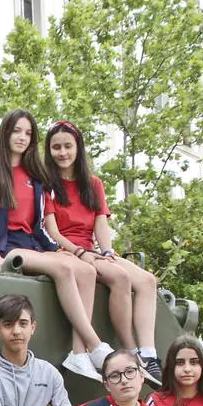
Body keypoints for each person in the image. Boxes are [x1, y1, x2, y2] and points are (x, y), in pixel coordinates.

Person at [0, 110, 112, 382]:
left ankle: (79, 353)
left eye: (28, 133)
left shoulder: (36, 179)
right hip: (8, 249)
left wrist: (59, 250)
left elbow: (41, 228)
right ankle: (96, 345)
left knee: (86, 270)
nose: (22, 137)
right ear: (5, 134)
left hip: (33, 246)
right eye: (16, 131)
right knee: (65, 271)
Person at [42, 120, 162, 383]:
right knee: (120, 278)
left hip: (93, 249)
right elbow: (53, 230)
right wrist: (79, 251)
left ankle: (149, 353)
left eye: (67, 146)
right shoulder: (48, 185)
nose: (62, 153)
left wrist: (107, 250)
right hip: (68, 250)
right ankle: (131, 351)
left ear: (78, 148)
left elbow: (100, 222)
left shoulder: (93, 184)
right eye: (56, 147)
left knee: (147, 280)